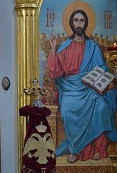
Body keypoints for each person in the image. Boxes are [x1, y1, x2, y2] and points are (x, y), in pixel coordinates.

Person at [47, 9, 117, 163]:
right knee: (67, 110)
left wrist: (105, 81)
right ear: (71, 23)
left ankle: (97, 149)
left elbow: (102, 68)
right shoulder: (65, 46)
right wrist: (53, 48)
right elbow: (55, 71)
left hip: (90, 88)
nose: (79, 23)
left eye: (82, 20)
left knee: (101, 106)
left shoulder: (92, 46)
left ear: (86, 23)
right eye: (76, 20)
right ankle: (74, 149)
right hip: (70, 88)